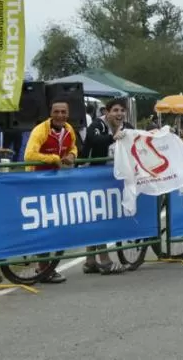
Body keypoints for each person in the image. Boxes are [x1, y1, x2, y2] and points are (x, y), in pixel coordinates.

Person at [24, 99, 80, 283]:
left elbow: (73, 146)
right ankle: (43, 268)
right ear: (51, 113)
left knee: (53, 224)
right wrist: (54, 158)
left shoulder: (69, 129)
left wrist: (72, 155)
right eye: (56, 112)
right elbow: (29, 155)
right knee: (42, 225)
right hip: (37, 183)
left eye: (64, 112)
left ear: (68, 113)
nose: (60, 115)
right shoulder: (40, 130)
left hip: (56, 184)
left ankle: (47, 268)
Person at [82, 97, 134, 274]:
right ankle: (104, 261)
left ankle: (90, 261)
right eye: (115, 110)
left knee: (97, 217)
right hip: (91, 176)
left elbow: (137, 139)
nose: (119, 114)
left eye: (122, 111)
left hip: (111, 178)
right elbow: (94, 140)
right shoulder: (97, 125)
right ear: (107, 112)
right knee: (99, 217)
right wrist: (112, 138)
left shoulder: (127, 127)